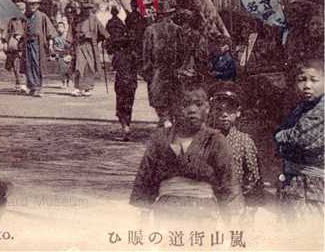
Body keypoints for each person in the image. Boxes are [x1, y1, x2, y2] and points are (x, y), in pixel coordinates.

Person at [130, 81, 241, 222]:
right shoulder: (160, 138)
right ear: (174, 108)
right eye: (185, 105)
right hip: (167, 210)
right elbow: (146, 176)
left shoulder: (215, 140)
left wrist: (230, 220)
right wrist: (143, 215)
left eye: (199, 104)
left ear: (208, 108)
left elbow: (228, 180)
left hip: (204, 212)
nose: (192, 110)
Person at [274, 57, 324, 217]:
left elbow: (299, 137)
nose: (307, 85)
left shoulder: (322, 109)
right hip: (296, 182)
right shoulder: (303, 106)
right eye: (302, 80)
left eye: (314, 80)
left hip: (312, 186)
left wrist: (280, 136)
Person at [210, 85, 263, 205]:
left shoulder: (244, 141)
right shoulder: (205, 139)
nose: (224, 115)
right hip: (209, 201)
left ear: (238, 112)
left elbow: (252, 175)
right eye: (219, 110)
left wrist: (238, 195)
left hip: (234, 201)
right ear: (212, 111)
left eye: (229, 110)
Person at [141, 0, 182, 126]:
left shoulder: (150, 29)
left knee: (158, 96)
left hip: (157, 69)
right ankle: (169, 120)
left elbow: (146, 51)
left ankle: (165, 119)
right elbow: (182, 51)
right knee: (172, 95)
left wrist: (146, 68)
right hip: (172, 68)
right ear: (170, 14)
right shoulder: (177, 29)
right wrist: (179, 67)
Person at [68, 0, 109, 96]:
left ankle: (88, 88)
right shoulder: (77, 19)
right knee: (79, 66)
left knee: (89, 67)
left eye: (89, 8)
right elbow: (71, 32)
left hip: (90, 46)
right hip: (79, 46)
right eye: (85, 8)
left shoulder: (94, 18)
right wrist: (69, 43)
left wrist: (100, 38)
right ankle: (78, 87)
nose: (87, 10)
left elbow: (103, 32)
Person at [22, 0, 56, 97]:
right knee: (28, 64)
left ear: (38, 5)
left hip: (38, 43)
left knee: (37, 64)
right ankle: (31, 86)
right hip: (27, 43)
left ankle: (38, 87)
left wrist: (50, 44)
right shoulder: (26, 16)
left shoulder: (42, 16)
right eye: (30, 4)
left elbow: (50, 31)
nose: (32, 6)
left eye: (34, 4)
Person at [112, 37, 138, 141]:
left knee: (120, 106)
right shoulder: (133, 55)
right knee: (128, 106)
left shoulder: (117, 55)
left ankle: (125, 128)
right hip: (131, 83)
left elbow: (113, 67)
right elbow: (137, 68)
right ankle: (127, 127)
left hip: (120, 83)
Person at [0, 2, 26, 92]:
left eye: (22, 10)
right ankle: (18, 82)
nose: (21, 12)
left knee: (24, 63)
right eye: (19, 10)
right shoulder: (11, 20)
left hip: (24, 44)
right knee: (15, 64)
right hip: (13, 44)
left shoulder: (27, 20)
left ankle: (23, 83)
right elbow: (6, 31)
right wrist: (4, 42)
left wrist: (22, 35)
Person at [125, 0, 147, 67]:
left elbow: (127, 26)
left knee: (133, 52)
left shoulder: (130, 16)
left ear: (132, 6)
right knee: (140, 51)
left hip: (133, 37)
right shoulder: (141, 15)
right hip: (140, 36)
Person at [52, 22, 72, 87]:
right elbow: (54, 47)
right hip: (60, 55)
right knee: (62, 70)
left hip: (68, 55)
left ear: (64, 28)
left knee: (68, 69)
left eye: (61, 27)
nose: (60, 28)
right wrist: (59, 50)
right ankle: (63, 82)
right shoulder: (56, 38)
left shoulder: (67, 36)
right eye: (58, 27)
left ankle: (68, 82)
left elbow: (70, 45)